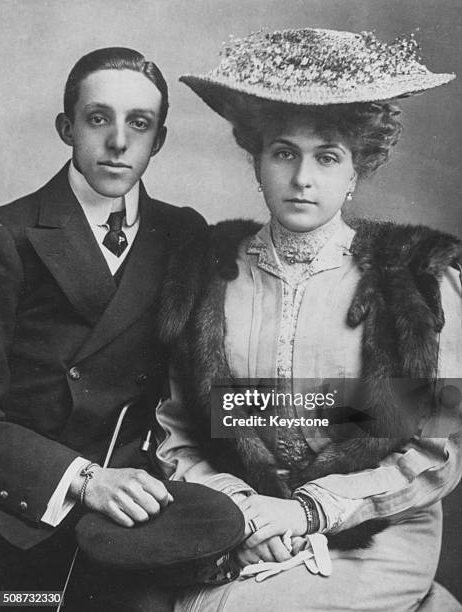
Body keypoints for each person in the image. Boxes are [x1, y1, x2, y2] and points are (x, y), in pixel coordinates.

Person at [154, 28, 462, 611]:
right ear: (256, 159)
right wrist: (241, 514)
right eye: (283, 152)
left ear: (356, 172)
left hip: (376, 531)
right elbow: (177, 432)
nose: (302, 178)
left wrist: (306, 510)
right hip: (242, 527)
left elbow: (434, 452)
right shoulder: (207, 274)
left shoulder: (414, 281)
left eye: (327, 157)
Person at [0, 46, 243, 608]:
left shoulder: (182, 233)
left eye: (140, 124)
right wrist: (84, 479)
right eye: (98, 118)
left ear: (158, 140)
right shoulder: (7, 235)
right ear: (67, 127)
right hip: (26, 507)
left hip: (139, 516)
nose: (118, 142)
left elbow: (205, 388)